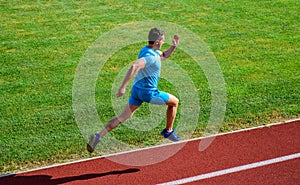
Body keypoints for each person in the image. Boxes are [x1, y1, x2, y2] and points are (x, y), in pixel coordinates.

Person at [87, 28, 180, 153]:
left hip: (137, 91)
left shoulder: (147, 50)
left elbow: (163, 55)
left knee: (122, 117)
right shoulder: (150, 57)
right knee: (175, 102)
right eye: (163, 41)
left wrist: (173, 47)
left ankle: (98, 136)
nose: (163, 43)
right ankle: (168, 131)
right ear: (157, 42)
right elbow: (135, 66)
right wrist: (122, 86)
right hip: (149, 93)